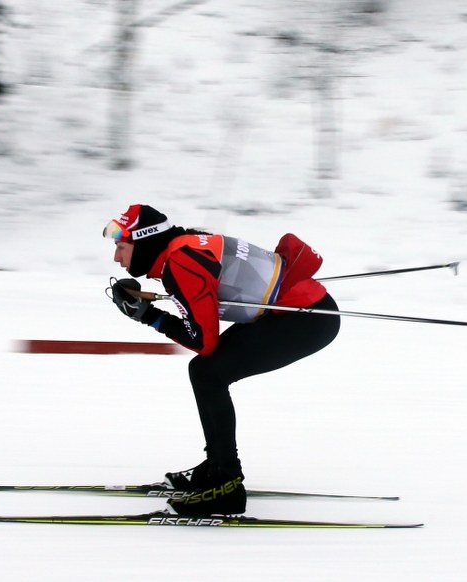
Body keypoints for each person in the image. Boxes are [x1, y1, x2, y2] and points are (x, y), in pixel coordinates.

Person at [103, 204, 341, 517]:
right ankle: (217, 467)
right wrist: (151, 310)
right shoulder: (184, 247)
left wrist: (149, 316)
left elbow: (204, 342)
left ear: (145, 242)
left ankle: (226, 483)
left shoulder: (181, 262)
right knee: (205, 371)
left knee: (208, 373)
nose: (116, 257)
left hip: (306, 318)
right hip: (297, 310)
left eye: (121, 247)